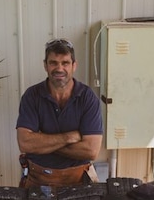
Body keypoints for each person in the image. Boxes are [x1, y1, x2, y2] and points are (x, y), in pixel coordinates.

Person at [16, 38, 103, 187]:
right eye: (53, 63)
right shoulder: (32, 96)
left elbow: (91, 150)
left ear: (74, 65)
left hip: (79, 180)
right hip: (38, 178)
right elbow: (25, 143)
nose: (59, 68)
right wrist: (69, 137)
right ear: (45, 65)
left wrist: (43, 142)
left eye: (65, 63)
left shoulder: (88, 98)